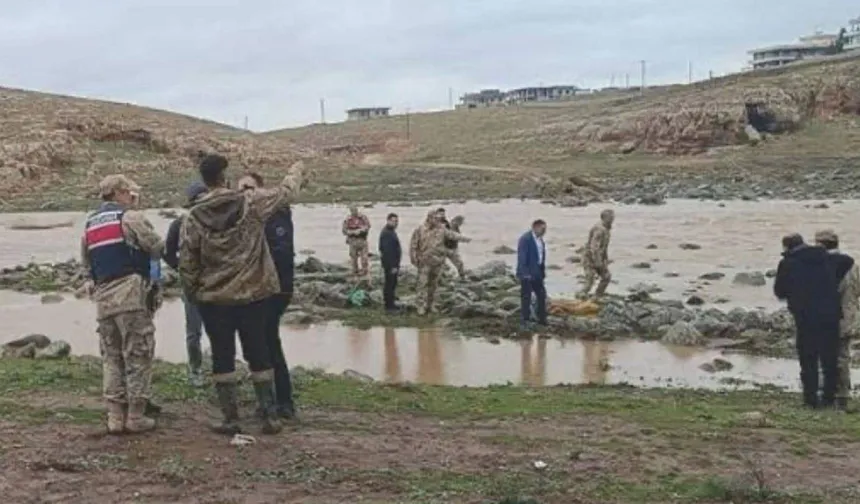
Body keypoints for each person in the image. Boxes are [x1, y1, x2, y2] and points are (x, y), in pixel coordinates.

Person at [179, 154, 305, 435]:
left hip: (214, 300)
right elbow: (287, 192)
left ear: (205, 181)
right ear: (225, 177)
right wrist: (296, 169)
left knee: (222, 356)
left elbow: (188, 262)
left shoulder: (193, 217)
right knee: (259, 353)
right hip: (252, 296)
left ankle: (230, 418)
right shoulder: (251, 203)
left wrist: (193, 293)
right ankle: (270, 416)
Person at [80, 174, 164, 434]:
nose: (131, 196)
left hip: (103, 298)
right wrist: (137, 211)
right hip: (130, 294)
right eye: (128, 192)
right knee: (138, 353)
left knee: (111, 356)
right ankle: (136, 415)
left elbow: (87, 265)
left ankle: (115, 416)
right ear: (118, 193)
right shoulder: (130, 217)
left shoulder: (90, 224)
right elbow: (156, 245)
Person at [238, 172, 297, 420]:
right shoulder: (244, 216)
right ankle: (269, 399)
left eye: (249, 187)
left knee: (269, 342)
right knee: (257, 345)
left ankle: (282, 401)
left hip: (274, 289)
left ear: (261, 190)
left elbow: (282, 252)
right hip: (253, 290)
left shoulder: (276, 214)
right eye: (241, 189)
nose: (245, 193)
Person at [774, 233, 841, 409]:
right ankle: (829, 398)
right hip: (831, 314)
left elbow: (780, 291)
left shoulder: (788, 263)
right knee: (829, 359)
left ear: (787, 247)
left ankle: (810, 400)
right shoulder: (825, 258)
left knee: (808, 358)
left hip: (805, 317)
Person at [164, 181, 208, 387]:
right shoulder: (178, 225)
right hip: (192, 286)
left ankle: (221, 369)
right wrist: (182, 270)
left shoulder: (217, 222)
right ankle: (195, 369)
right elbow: (167, 252)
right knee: (194, 332)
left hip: (217, 283)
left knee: (220, 329)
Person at [814, 229, 860, 410]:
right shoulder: (853, 265)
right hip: (848, 318)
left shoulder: (822, 266)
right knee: (843, 357)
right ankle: (842, 397)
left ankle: (828, 395)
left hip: (828, 319)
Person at [410, 210, 471, 315]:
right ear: (429, 218)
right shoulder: (420, 230)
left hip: (438, 261)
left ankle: (431, 305)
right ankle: (420, 306)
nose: (438, 220)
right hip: (424, 261)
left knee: (434, 285)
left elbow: (453, 235)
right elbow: (413, 246)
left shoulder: (442, 229)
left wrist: (466, 239)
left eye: (438, 219)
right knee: (422, 284)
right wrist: (414, 259)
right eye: (435, 218)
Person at [516, 219, 548, 330]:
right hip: (527, 273)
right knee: (526, 297)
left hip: (537, 272)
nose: (544, 231)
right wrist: (524, 273)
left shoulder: (540, 240)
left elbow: (541, 257)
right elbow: (522, 257)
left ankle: (542, 319)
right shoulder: (525, 239)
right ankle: (524, 320)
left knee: (541, 295)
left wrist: (542, 272)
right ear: (535, 227)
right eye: (542, 229)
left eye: (545, 229)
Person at [580, 209, 614, 297]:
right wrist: (597, 261)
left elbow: (604, 247)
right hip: (589, 257)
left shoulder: (607, 229)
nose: (612, 219)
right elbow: (594, 247)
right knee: (590, 279)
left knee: (606, 277)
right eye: (610, 217)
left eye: (613, 217)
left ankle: (597, 296)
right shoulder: (599, 229)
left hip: (599, 257)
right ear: (604, 218)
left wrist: (605, 259)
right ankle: (581, 296)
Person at [378, 213, 402, 312]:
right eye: (393, 221)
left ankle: (391, 302)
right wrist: (393, 266)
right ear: (388, 221)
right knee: (390, 284)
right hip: (390, 264)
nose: (395, 223)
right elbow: (387, 251)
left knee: (392, 283)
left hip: (391, 264)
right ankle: (389, 306)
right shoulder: (387, 233)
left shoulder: (390, 231)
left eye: (396, 221)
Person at [342, 206, 371, 278]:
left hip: (362, 240)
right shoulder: (348, 219)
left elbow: (368, 226)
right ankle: (355, 273)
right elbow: (344, 230)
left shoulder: (363, 217)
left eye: (355, 210)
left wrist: (361, 230)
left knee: (364, 258)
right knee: (354, 259)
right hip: (352, 241)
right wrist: (351, 232)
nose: (354, 212)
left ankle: (365, 272)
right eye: (352, 210)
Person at [438, 209, 467, 280]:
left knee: (459, 263)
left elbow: (456, 238)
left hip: (452, 249)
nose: (460, 224)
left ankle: (462, 277)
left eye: (461, 223)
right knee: (442, 266)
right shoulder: (444, 225)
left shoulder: (454, 227)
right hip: (443, 248)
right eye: (459, 222)